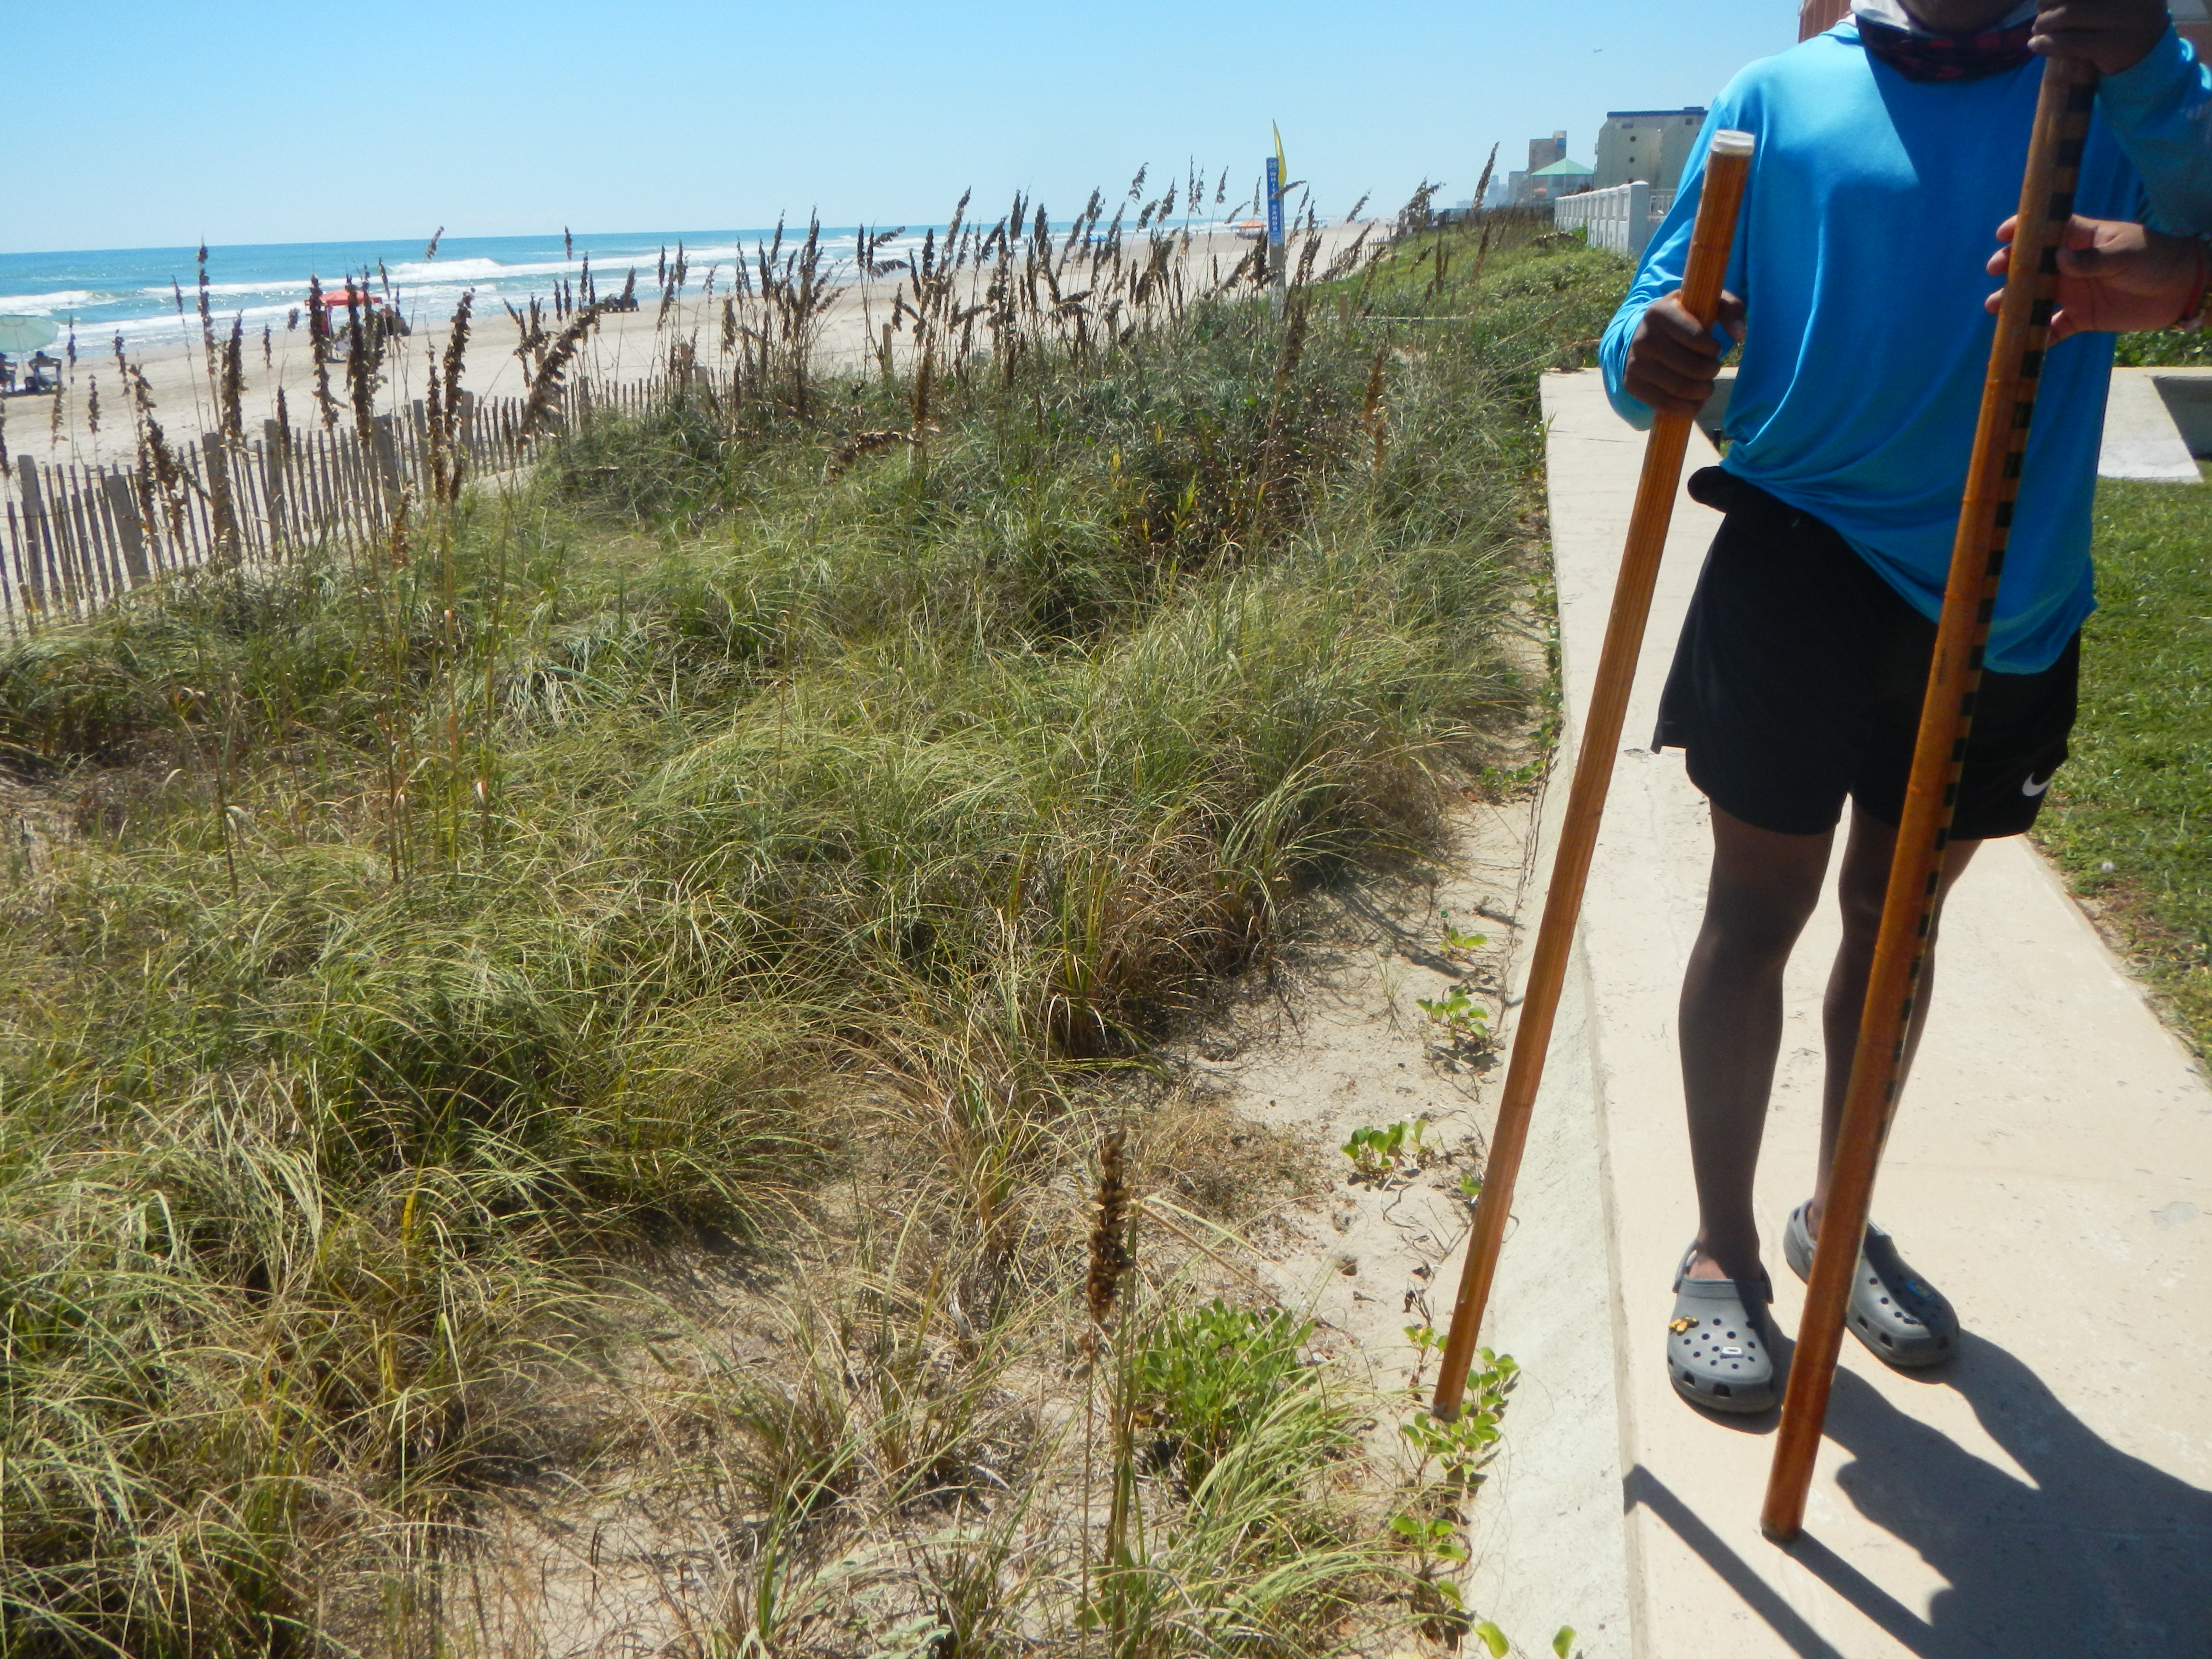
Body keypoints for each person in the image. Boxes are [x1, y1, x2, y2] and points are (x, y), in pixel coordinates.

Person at [1600, 0, 2212, 1414]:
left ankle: (1840, 1215)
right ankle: (1724, 1254)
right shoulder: (1777, 91)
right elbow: (1649, 315)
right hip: (1798, 559)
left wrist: (2152, 73)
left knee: (1898, 931)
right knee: (1754, 915)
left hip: (2006, 583)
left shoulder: (2108, 84)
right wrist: (1658, 351)